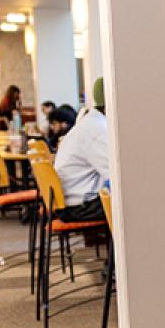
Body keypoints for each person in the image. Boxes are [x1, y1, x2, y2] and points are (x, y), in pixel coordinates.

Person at [53, 78, 108, 222]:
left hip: (71, 199)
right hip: (79, 206)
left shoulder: (91, 123)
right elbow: (116, 174)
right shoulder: (97, 129)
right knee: (133, 202)